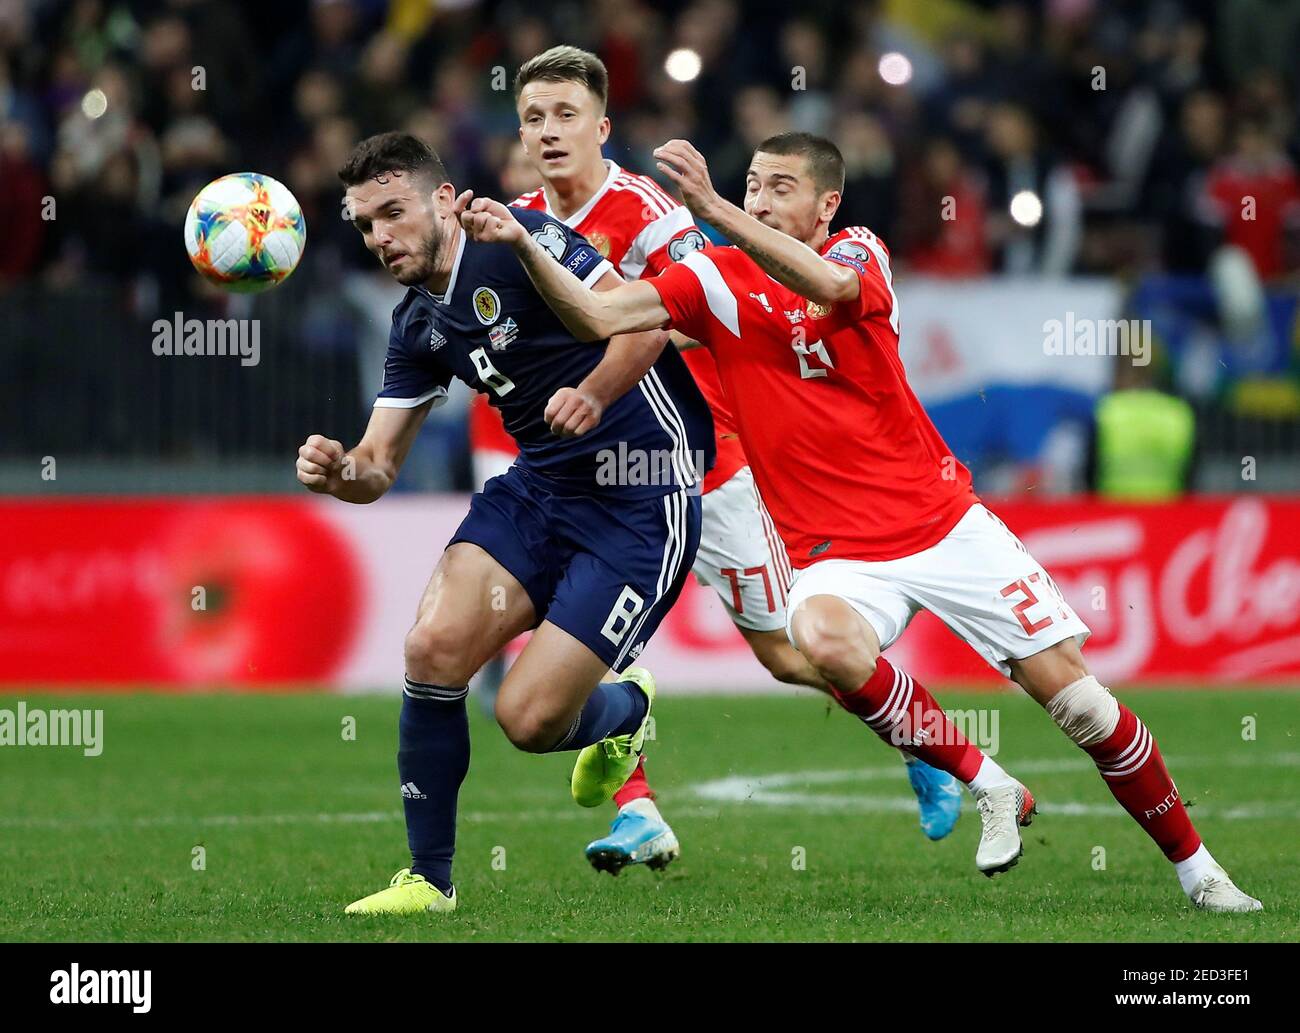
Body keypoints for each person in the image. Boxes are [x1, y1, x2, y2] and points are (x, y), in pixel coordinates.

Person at [455, 131, 1263, 912]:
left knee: (1082, 706)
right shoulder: (711, 281)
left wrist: (709, 205)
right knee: (819, 638)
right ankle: (984, 780)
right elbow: (601, 317)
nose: (760, 200)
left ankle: (1201, 872)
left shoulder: (860, 252)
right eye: (751, 186)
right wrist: (527, 249)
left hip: (943, 522)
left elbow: (829, 291)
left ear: (826, 204)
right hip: (838, 552)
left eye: (781, 188)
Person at [508, 46, 963, 872]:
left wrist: (599, 385)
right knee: (570, 635)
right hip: (590, 469)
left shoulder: (647, 211)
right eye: (532, 119)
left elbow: (695, 312)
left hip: (701, 460)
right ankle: (638, 809)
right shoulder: (518, 222)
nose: (546, 134)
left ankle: (924, 743)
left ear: (601, 128)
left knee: (790, 652)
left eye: (564, 115)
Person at [296, 131, 714, 914]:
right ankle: (430, 879)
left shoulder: (522, 243)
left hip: (640, 499)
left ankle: (628, 710)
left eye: (393, 212)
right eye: (363, 225)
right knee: (432, 645)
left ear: (446, 201)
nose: (381, 236)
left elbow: (646, 322)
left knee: (527, 720)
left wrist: (592, 391)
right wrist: (337, 471)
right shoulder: (415, 324)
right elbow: (378, 466)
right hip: (540, 492)